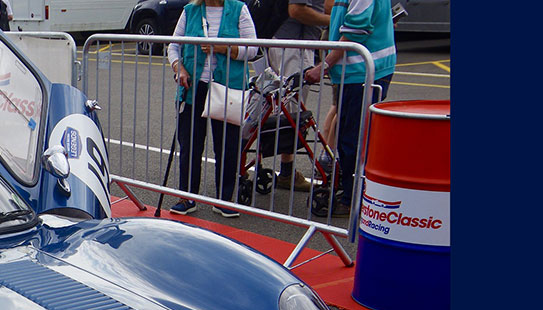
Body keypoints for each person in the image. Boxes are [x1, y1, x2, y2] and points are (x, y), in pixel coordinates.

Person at [165, 0, 257, 218]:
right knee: (189, 144)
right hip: (194, 86)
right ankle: (187, 197)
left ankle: (224, 200)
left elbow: (253, 49)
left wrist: (223, 48)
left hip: (227, 87)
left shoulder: (239, 9)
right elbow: (173, 46)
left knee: (227, 145)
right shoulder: (190, 11)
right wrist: (179, 68)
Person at [304, 0, 395, 217]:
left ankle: (353, 199)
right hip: (356, 72)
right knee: (349, 135)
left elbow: (356, 30)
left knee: (353, 139)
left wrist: (324, 66)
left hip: (364, 71)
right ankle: (352, 193)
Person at [259, 0, 329, 191]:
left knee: (279, 108)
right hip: (293, 46)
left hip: (288, 43)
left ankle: (275, 169)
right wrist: (333, 20)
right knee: (292, 112)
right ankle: (286, 173)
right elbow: (297, 10)